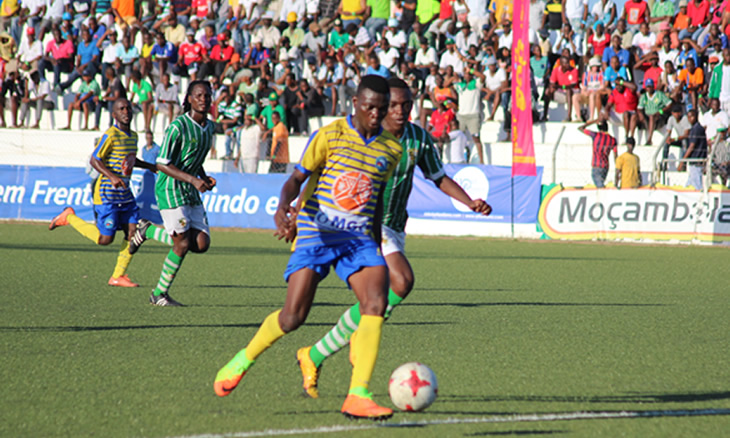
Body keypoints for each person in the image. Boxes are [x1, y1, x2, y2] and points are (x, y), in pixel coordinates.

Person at [213, 75, 402, 420]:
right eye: (370, 107)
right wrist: (283, 208)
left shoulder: (391, 149)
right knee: (293, 317)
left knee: (376, 301)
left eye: (382, 108)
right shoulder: (329, 135)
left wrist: (374, 243)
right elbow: (295, 180)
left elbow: (374, 202)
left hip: (358, 239)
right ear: (355, 104)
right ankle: (244, 358)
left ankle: (358, 394)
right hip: (316, 232)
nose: (377, 114)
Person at [294, 77, 491, 400]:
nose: (401, 111)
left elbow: (438, 178)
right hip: (364, 225)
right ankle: (359, 336)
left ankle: (313, 355)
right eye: (395, 105)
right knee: (401, 281)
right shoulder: (364, 138)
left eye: (407, 105)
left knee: (380, 298)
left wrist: (470, 202)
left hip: (394, 227)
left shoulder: (419, 140)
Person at [48, 99, 157, 288]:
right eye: (121, 109)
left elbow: (130, 159)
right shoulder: (110, 135)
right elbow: (94, 160)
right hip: (107, 194)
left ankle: (118, 276)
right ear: (114, 115)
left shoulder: (133, 136)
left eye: (128, 108)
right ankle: (69, 217)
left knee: (133, 233)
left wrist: (150, 166)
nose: (126, 111)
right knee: (104, 239)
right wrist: (112, 176)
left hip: (125, 194)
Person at [127, 80, 217, 306]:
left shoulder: (210, 127)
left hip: (190, 186)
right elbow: (162, 163)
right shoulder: (177, 127)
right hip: (170, 186)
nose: (203, 99)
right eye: (198, 95)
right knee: (182, 244)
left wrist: (203, 177)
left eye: (207, 95)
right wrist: (194, 180)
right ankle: (159, 294)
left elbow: (194, 159)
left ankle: (147, 230)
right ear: (188, 99)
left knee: (201, 243)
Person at [579, 119, 618, 188]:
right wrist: (617, 168)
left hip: (597, 165)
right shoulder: (612, 140)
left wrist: (594, 121)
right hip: (605, 166)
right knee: (600, 183)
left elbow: (580, 128)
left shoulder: (595, 135)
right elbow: (615, 155)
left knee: (600, 187)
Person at [678, 109, 708, 189]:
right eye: (688, 117)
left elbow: (691, 146)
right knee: (689, 185)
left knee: (697, 186)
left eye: (691, 117)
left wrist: (682, 161)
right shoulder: (698, 128)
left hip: (696, 161)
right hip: (696, 161)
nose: (689, 119)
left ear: (695, 116)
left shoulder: (696, 129)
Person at [637, 78, 672, 146]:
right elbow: (639, 108)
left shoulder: (659, 94)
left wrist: (661, 111)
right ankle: (630, 137)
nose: (649, 88)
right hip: (647, 116)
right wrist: (640, 114)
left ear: (653, 87)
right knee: (635, 117)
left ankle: (649, 139)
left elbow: (669, 104)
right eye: (648, 87)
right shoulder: (644, 96)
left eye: (650, 87)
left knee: (652, 116)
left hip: (659, 116)